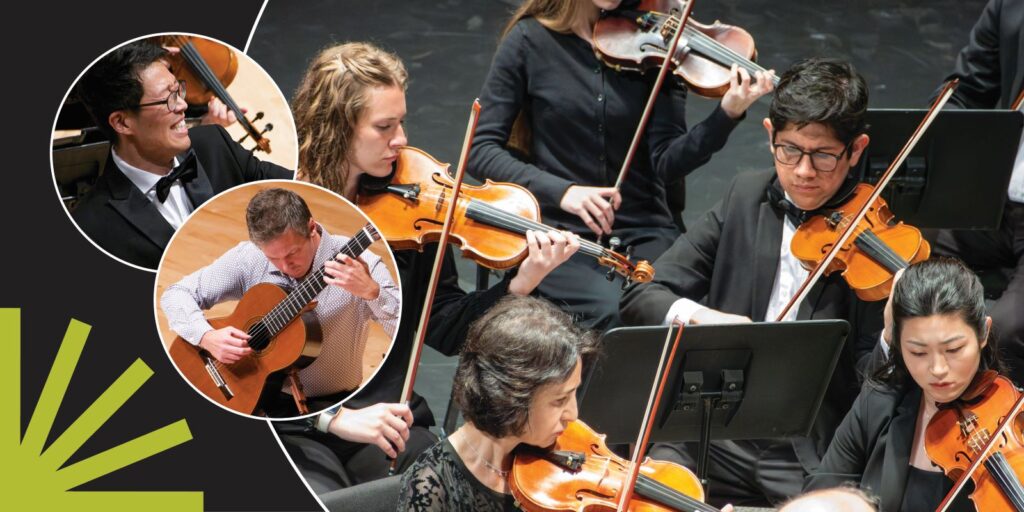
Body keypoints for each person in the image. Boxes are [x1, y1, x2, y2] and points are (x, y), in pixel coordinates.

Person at [275, 42, 579, 492]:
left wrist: (521, 281)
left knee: (441, 489)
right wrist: (335, 419)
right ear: (337, 128)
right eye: (384, 127)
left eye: (401, 122)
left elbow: (446, 328)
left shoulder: (410, 211)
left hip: (388, 416)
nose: (400, 139)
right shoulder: (277, 206)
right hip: (297, 422)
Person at [620, 57, 884, 506]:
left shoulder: (875, 237)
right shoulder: (745, 197)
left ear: (856, 149)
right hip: (709, 427)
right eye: (790, 150)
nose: (803, 171)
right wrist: (702, 316)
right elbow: (643, 293)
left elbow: (873, 375)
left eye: (823, 156)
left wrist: (895, 328)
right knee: (654, 495)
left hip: (804, 449)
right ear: (769, 135)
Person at [467, 0, 775, 329]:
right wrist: (563, 192)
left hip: (644, 228)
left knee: (698, 307)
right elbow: (480, 150)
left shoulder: (654, 42)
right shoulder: (528, 41)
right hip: (561, 235)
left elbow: (668, 164)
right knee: (618, 312)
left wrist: (726, 114)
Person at [160, 187, 400, 417]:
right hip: (254, 397)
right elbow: (176, 293)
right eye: (273, 257)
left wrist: (372, 292)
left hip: (334, 403)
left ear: (311, 228)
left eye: (292, 253)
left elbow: (404, 333)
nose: (285, 266)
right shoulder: (250, 258)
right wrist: (206, 337)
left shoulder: (361, 264)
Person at [71, 40, 293, 270]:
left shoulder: (213, 143)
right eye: (168, 98)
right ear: (122, 122)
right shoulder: (91, 226)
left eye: (178, 90)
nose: (183, 105)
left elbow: (292, 184)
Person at [806, 257, 1000, 512]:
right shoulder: (877, 403)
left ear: (983, 332)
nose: (938, 369)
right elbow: (819, 495)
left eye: (953, 349)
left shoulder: (1013, 422)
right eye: (918, 352)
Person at [397, 295, 598, 511]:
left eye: (574, 393)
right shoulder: (431, 488)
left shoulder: (545, 453)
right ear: (511, 398)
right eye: (560, 400)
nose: (573, 415)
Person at [929, 0, 1024, 385]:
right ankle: (899, 403)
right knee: (902, 246)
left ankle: (999, 418)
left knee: (1006, 331)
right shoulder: (1011, 6)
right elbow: (967, 88)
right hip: (998, 198)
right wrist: (938, 126)